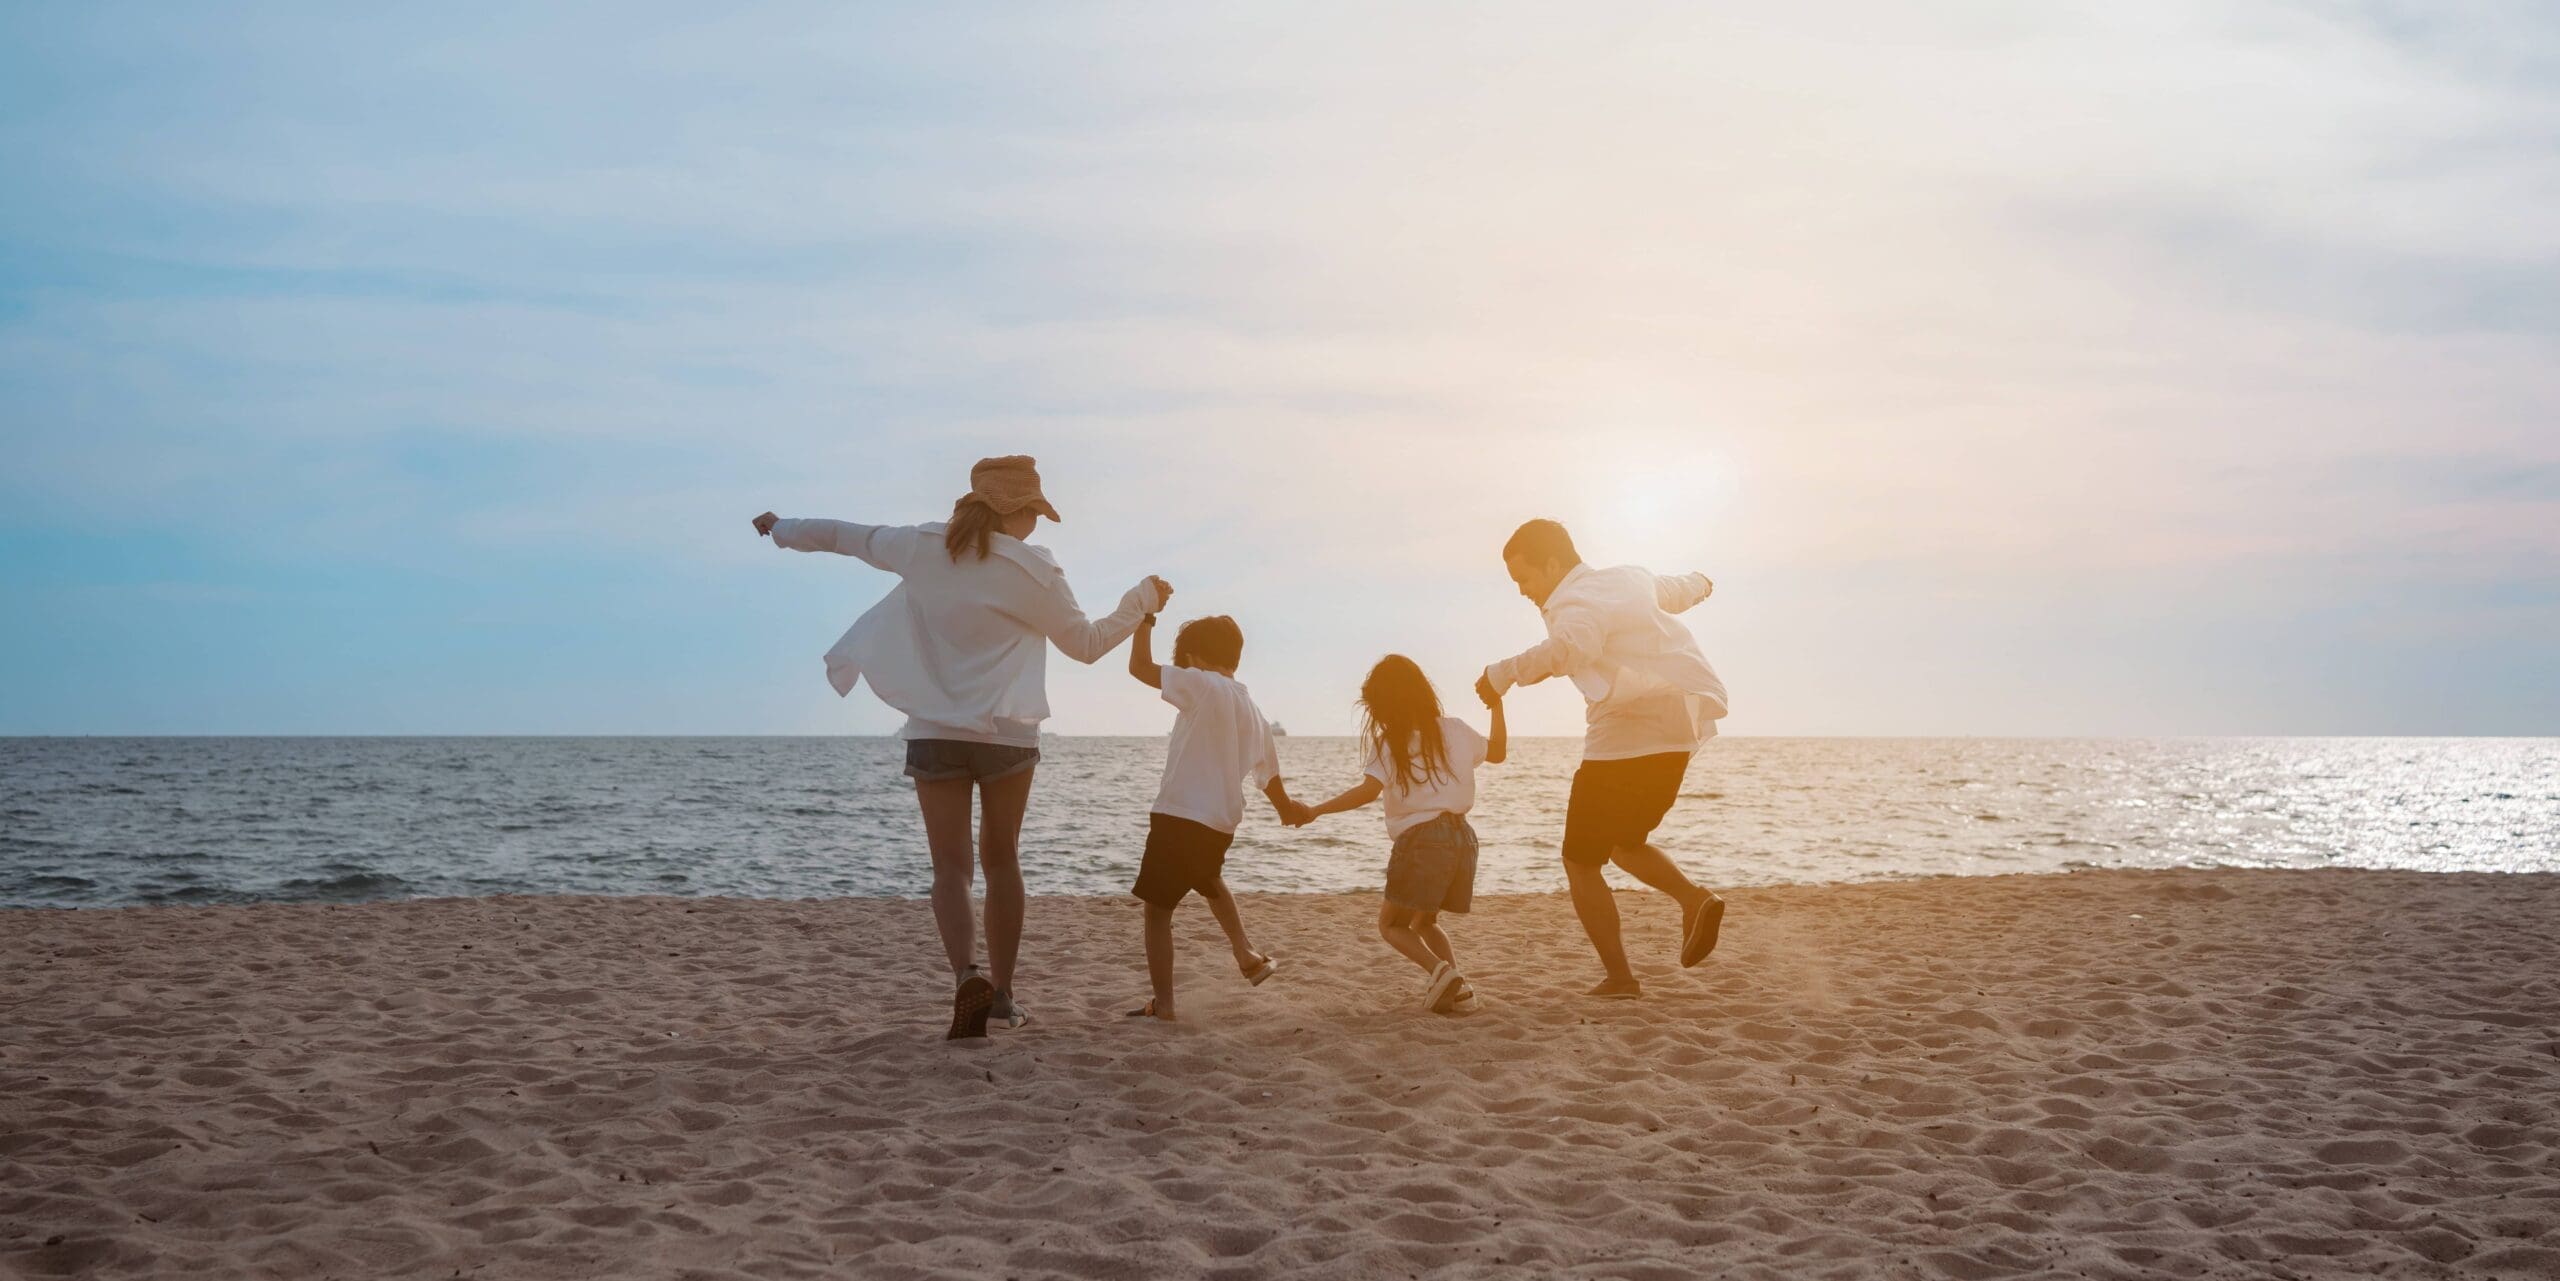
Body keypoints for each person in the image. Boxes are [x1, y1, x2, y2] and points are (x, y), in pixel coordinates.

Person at [752, 455, 1169, 1039]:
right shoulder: (1035, 571)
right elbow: (1087, 644)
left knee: (949, 869)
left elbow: (842, 536)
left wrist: (782, 528)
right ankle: (1002, 996)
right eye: (1035, 513)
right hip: (1007, 736)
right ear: (1019, 511)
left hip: (933, 732)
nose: (1037, 525)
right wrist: (1141, 601)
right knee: (1003, 862)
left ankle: (964, 976)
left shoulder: (921, 545)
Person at [1477, 518, 1728, 1000]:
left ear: (1553, 564)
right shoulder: (1627, 578)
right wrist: (1703, 583)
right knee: (1624, 843)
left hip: (1621, 742)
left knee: (1579, 859)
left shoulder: (1574, 603)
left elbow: (1571, 648)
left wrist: (1501, 674)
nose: (1524, 592)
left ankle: (1620, 978)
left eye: (1524, 578)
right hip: (1677, 735)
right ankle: (1694, 900)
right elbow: (1672, 591)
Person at [1298, 655, 1506, 1014]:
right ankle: (1460, 991)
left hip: (1422, 841)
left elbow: (1366, 792)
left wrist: (1316, 810)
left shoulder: (1388, 744)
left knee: (1390, 924)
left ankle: (1441, 972)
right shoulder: (1454, 729)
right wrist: (1497, 706)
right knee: (1425, 921)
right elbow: (1499, 752)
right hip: (1463, 840)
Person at [1122, 612, 1304, 1022]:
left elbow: (1139, 668)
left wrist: (1143, 618)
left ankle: (1165, 1005)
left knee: (1157, 911)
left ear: (1194, 657)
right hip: (1220, 822)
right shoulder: (1254, 711)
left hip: (1180, 813)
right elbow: (1269, 776)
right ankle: (1246, 954)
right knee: (1208, 878)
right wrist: (1287, 811)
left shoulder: (1201, 684)